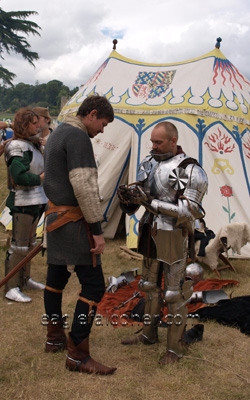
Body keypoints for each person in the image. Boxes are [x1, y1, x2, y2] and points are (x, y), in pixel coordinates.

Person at [118, 121, 208, 365]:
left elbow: (192, 210)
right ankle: (148, 334)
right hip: (149, 229)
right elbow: (140, 195)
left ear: (173, 141)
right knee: (148, 286)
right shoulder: (148, 162)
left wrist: (151, 203)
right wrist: (129, 198)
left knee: (173, 294)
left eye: (158, 142)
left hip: (174, 234)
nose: (153, 146)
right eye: (152, 141)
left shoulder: (191, 169)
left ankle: (174, 348)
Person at [43, 95, 117, 375]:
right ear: (92, 113)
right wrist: (97, 230)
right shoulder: (77, 137)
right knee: (94, 287)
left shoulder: (58, 132)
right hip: (73, 221)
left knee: (56, 279)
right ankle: (77, 355)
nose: (102, 130)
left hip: (55, 218)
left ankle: (53, 338)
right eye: (103, 123)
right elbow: (84, 187)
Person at [4, 108, 47, 303]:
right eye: (34, 123)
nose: (38, 126)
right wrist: (41, 179)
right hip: (22, 200)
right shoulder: (18, 146)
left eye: (38, 122)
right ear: (23, 125)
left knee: (29, 245)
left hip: (37, 199)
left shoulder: (33, 145)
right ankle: (11, 287)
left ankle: (24, 279)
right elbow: (18, 177)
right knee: (19, 246)